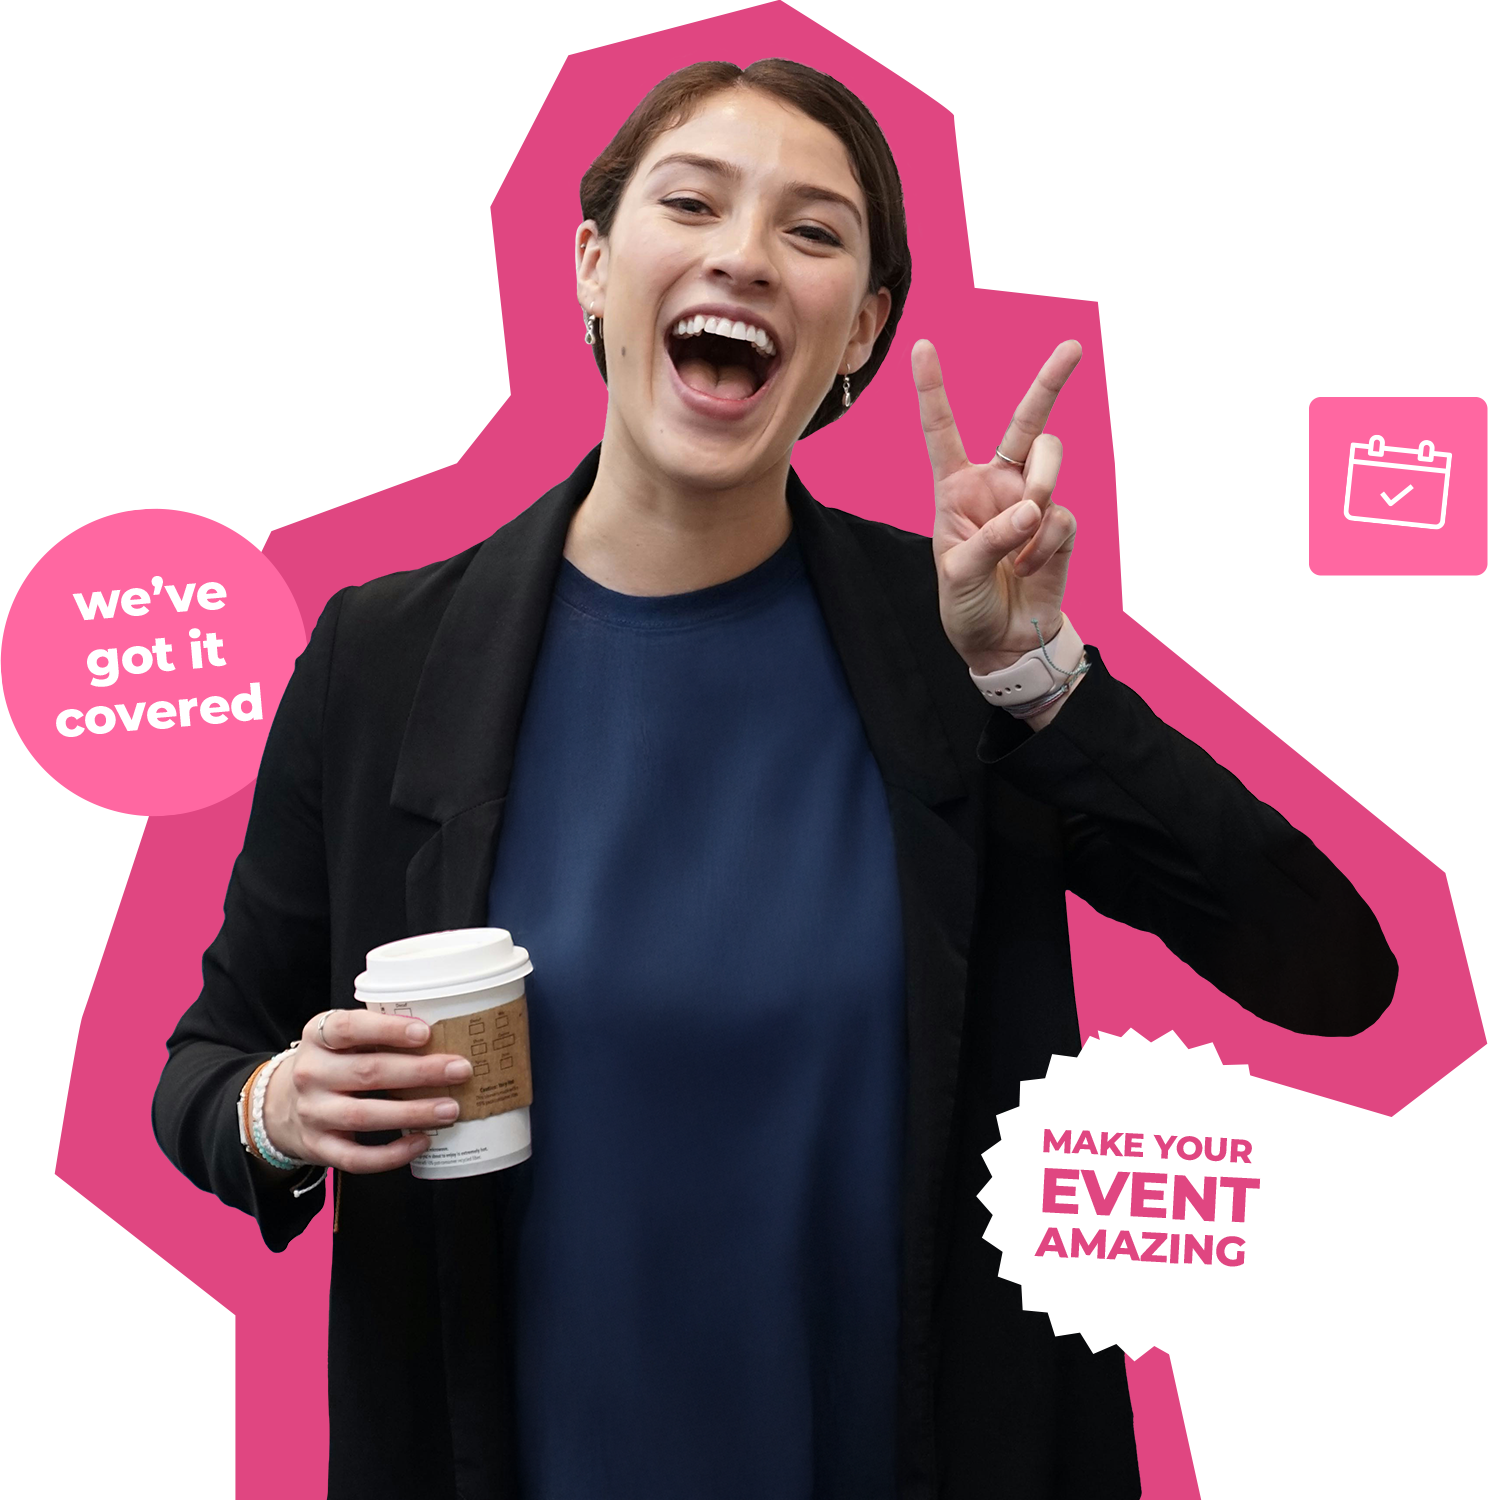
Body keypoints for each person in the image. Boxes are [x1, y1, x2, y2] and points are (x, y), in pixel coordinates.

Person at [152, 58, 1396, 1500]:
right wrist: (279, 1110)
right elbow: (210, 1062)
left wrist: (1035, 675)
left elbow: (1331, 970)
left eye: (815, 233)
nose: (745, 252)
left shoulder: (953, 645)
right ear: (594, 266)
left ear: (859, 329)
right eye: (693, 202)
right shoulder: (381, 655)